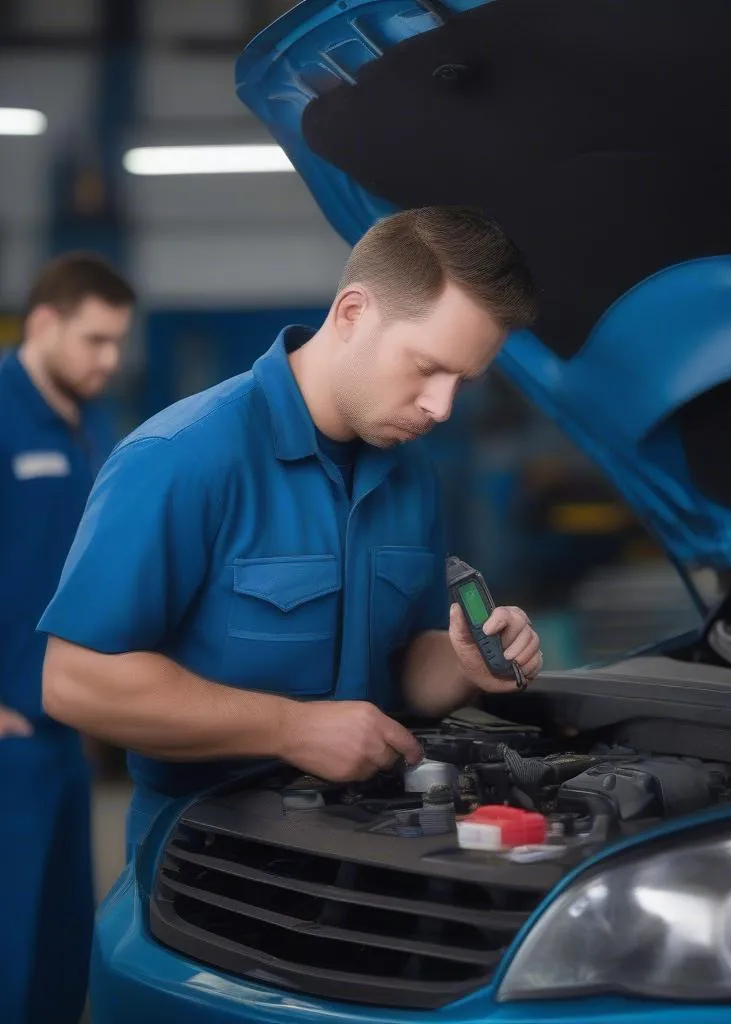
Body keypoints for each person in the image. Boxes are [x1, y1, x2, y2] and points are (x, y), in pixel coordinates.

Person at [38, 206, 544, 863]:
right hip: (208, 860)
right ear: (353, 314)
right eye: (426, 367)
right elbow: (75, 680)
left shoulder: (410, 474)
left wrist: (464, 664)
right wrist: (290, 729)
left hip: (380, 848)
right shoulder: (182, 457)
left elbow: (409, 665)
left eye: (462, 382)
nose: (441, 406)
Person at [0, 252, 135, 1024]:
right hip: (9, 737)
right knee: (8, 959)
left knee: (61, 955)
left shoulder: (91, 426)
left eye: (118, 342)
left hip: (67, 731)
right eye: (95, 341)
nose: (109, 361)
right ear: (45, 323)